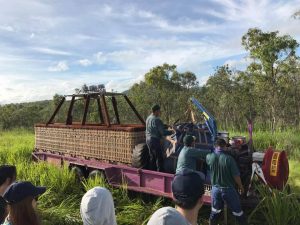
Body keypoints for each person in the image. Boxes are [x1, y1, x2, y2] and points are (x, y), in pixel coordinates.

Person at [206, 139, 247, 225]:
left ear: (215, 146)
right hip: (228, 190)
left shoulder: (209, 157)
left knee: (215, 211)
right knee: (238, 212)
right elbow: (236, 176)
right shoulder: (229, 159)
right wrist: (241, 187)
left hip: (215, 189)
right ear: (225, 146)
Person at [146, 104, 173, 171]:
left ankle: (151, 172)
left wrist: (165, 125)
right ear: (156, 111)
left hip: (148, 140)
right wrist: (171, 132)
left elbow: (155, 126)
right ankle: (160, 174)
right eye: (159, 111)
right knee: (159, 157)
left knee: (152, 157)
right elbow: (162, 132)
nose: (160, 112)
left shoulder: (148, 118)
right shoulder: (157, 120)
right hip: (154, 140)